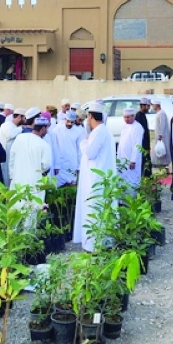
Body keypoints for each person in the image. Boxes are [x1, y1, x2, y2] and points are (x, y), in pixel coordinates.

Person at [73, 102, 117, 252]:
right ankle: (98, 243)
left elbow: (90, 153)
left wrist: (83, 142)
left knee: (94, 210)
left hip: (96, 180)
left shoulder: (99, 132)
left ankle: (94, 245)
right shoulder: (104, 131)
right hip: (97, 178)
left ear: (90, 116)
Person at [9, 116, 53, 207]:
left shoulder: (20, 138)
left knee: (16, 209)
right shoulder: (44, 145)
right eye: (47, 128)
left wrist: (11, 175)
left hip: (17, 180)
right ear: (43, 128)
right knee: (32, 211)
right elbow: (46, 165)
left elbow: (12, 156)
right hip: (34, 183)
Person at [117, 107, 145, 192]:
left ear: (133, 116)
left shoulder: (137, 127)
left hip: (132, 160)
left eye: (128, 117)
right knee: (122, 179)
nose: (126, 119)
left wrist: (133, 160)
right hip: (123, 158)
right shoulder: (125, 126)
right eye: (125, 117)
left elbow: (137, 145)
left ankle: (131, 202)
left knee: (132, 180)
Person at [52, 110, 81, 186]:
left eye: (72, 122)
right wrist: (56, 165)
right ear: (65, 119)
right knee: (58, 185)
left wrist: (78, 167)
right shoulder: (57, 130)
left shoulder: (78, 132)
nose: (70, 124)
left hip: (71, 163)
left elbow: (79, 151)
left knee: (71, 184)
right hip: (60, 163)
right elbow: (54, 147)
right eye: (68, 121)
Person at [151, 100, 172, 168]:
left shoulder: (161, 113)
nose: (152, 106)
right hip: (159, 135)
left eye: (153, 105)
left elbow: (162, 124)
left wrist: (160, 135)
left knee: (162, 149)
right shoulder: (159, 113)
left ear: (157, 105)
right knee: (159, 149)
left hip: (162, 136)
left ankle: (164, 163)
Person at [135, 98, 152, 177]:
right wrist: (145, 147)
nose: (149, 108)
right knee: (145, 164)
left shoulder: (143, 115)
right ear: (143, 106)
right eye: (148, 106)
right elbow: (141, 134)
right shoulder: (138, 116)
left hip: (145, 145)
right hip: (142, 146)